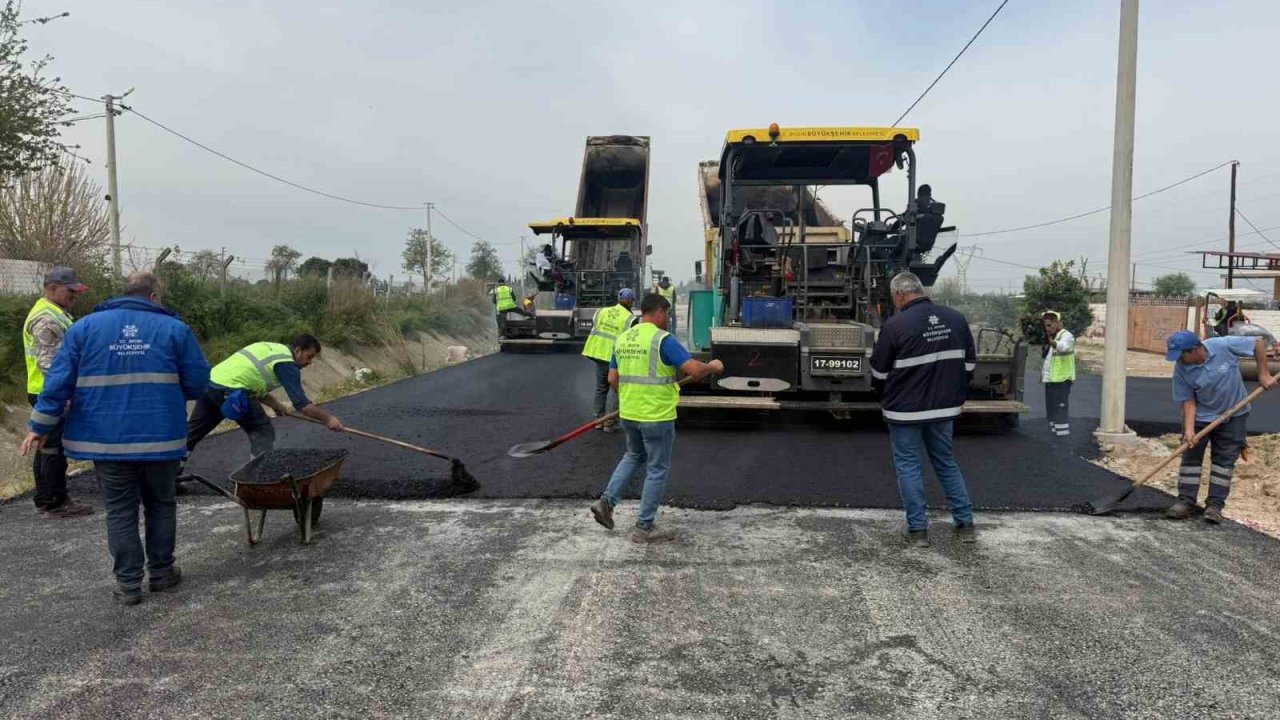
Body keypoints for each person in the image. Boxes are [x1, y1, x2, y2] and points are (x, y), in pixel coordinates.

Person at [22, 272, 210, 605]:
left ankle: (128, 586)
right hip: (161, 438)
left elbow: (58, 382)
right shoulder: (175, 330)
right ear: (152, 297)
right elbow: (197, 383)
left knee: (120, 511)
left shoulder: (84, 328)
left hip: (106, 441)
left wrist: (38, 425)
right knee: (161, 504)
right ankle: (163, 573)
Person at [588, 293, 723, 543]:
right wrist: (713, 366)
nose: (668, 319)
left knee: (633, 456)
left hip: (629, 413)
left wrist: (633, 395)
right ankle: (644, 527)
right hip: (656, 416)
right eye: (668, 314)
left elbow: (612, 380)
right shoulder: (663, 340)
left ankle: (606, 503)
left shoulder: (623, 339)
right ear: (659, 311)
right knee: (657, 469)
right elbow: (694, 370)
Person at [869, 272, 977, 548]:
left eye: (894, 298)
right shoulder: (956, 319)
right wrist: (955, 394)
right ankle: (965, 525)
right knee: (946, 462)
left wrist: (885, 397)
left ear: (900, 295)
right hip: (943, 409)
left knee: (909, 467)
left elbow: (879, 373)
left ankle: (918, 531)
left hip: (905, 411)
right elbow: (969, 366)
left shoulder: (895, 326)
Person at [1164, 330, 1276, 523]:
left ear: (1195, 349)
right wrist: (1190, 430)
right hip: (1200, 417)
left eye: (1181, 355)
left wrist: (1264, 374)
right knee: (1190, 457)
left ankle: (1215, 505)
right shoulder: (1181, 369)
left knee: (1223, 462)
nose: (1179, 360)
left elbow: (1258, 343)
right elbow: (1188, 400)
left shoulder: (1222, 345)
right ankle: (1186, 501)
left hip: (1234, 415)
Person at [184, 335, 343, 469]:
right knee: (263, 431)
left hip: (210, 384)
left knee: (192, 433)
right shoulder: (286, 363)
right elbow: (302, 405)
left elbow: (253, 383)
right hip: (233, 391)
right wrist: (329, 419)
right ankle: (258, 477)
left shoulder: (273, 349)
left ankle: (169, 479)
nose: (309, 363)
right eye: (309, 356)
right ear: (298, 350)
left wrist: (275, 405)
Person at [22, 267, 93, 518]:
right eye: (70, 290)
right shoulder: (46, 319)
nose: (75, 295)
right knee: (53, 448)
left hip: (47, 390)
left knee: (47, 445)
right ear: (52, 288)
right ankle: (55, 501)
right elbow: (49, 363)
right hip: (50, 392)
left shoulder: (56, 313)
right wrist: (68, 392)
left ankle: (46, 497)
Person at [581, 288, 636, 432]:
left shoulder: (602, 311)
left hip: (599, 354)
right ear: (630, 301)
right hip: (615, 358)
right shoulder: (631, 318)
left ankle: (598, 421)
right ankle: (610, 422)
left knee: (601, 388)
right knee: (618, 389)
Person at [1041, 310, 1076, 439]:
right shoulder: (1053, 338)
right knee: (1051, 410)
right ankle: (1054, 436)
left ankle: (1063, 439)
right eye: (1045, 326)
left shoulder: (1067, 336)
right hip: (1051, 380)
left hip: (1062, 380)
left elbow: (1063, 347)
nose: (1047, 328)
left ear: (1057, 324)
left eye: (1049, 325)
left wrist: (1051, 342)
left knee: (1060, 410)